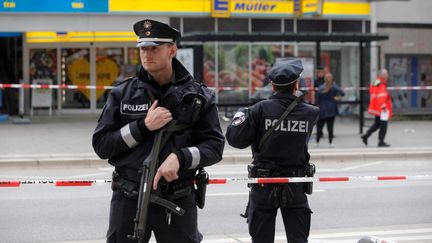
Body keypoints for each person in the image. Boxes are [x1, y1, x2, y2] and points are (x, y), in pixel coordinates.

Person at [92, 19, 225, 243]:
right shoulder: (122, 94)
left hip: (177, 197)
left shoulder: (200, 97)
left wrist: (180, 158)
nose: (147, 54)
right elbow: (102, 145)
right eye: (143, 48)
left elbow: (215, 147)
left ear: (172, 50)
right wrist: (142, 127)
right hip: (128, 198)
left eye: (154, 48)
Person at [226, 59, 320, 243]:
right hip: (296, 183)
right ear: (296, 84)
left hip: (264, 184)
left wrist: (242, 113)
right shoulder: (311, 113)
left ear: (272, 85)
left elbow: (235, 140)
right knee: (298, 239)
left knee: (261, 239)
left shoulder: (259, 110)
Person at [361, 68, 392, 147]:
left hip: (377, 107)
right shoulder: (381, 83)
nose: (387, 76)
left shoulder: (376, 82)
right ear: (383, 75)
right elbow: (381, 96)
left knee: (377, 124)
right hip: (382, 108)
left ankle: (366, 135)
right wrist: (384, 107)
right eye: (386, 74)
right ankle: (381, 141)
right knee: (383, 125)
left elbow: (374, 92)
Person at [315, 72, 345, 147]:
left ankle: (317, 142)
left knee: (319, 127)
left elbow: (317, 100)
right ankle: (330, 142)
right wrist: (337, 98)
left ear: (324, 79)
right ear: (332, 79)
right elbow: (343, 93)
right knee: (330, 127)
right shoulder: (334, 87)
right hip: (331, 109)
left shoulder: (320, 88)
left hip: (322, 110)